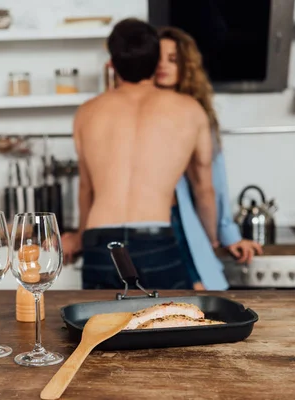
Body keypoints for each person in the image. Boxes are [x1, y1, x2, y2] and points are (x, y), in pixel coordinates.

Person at [61, 18, 218, 290]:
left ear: (113, 62)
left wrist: (79, 235)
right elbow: (204, 189)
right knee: (171, 326)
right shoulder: (190, 110)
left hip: (100, 244)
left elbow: (86, 189)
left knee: (101, 330)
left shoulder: (86, 113)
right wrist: (211, 240)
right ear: (156, 59)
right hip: (155, 240)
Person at [155, 27, 263, 290]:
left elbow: (212, 183)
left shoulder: (195, 114)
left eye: (173, 59)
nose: (162, 66)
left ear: (187, 66)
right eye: (157, 58)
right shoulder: (142, 111)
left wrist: (226, 235)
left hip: (180, 225)